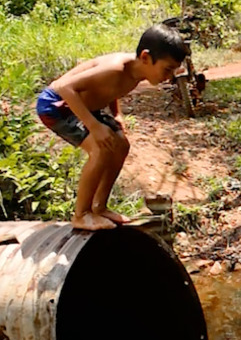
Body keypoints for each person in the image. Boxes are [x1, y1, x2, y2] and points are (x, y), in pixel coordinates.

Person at [37, 21, 190, 231]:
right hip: (57, 106)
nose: (169, 77)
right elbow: (64, 87)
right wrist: (94, 126)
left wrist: (116, 114)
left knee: (121, 145)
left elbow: (112, 90)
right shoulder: (115, 69)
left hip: (84, 108)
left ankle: (99, 207)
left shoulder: (136, 73)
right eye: (167, 69)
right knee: (100, 148)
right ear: (146, 57)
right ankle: (81, 214)